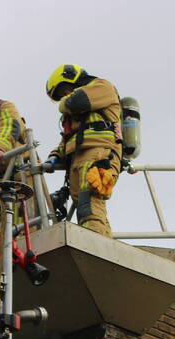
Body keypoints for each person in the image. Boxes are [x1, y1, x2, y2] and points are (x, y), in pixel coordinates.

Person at [42, 64, 122, 237]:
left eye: (63, 90)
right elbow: (67, 139)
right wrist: (55, 156)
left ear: (71, 78)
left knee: (90, 203)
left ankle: (96, 244)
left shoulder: (102, 86)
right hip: (78, 158)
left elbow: (76, 101)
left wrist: (64, 102)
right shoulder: (74, 116)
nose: (64, 96)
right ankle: (100, 239)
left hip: (98, 153)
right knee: (83, 206)